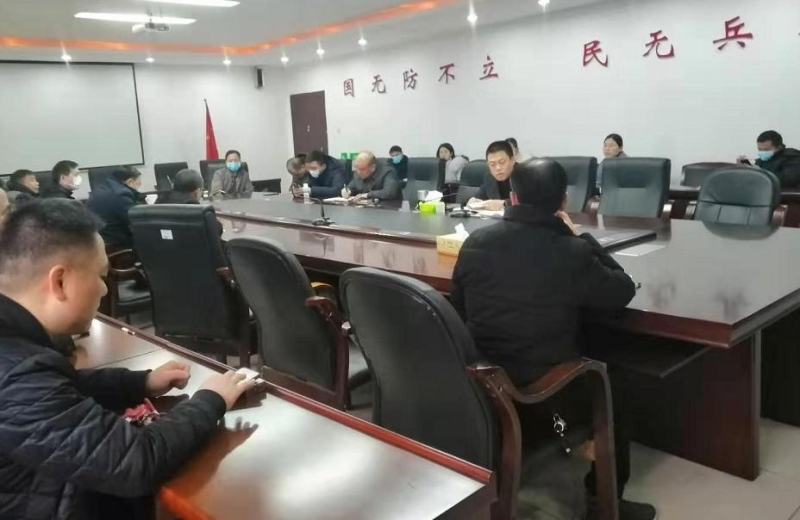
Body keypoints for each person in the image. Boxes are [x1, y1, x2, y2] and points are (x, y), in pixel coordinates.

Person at [0, 199, 256, 519]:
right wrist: (210, 399)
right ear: (59, 281)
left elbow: (59, 388)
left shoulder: (18, 350)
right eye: (100, 276)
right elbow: (136, 462)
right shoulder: (16, 373)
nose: (104, 291)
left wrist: (140, 383)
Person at [450, 159, 655, 520]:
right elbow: (622, 290)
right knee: (615, 382)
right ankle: (603, 503)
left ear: (513, 197)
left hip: (484, 380)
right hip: (541, 392)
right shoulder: (571, 251)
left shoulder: (476, 241)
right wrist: (581, 238)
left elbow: (459, 309)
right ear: (563, 201)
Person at [87, 167, 145, 250]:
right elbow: (135, 219)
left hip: (98, 239)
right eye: (139, 183)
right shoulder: (121, 194)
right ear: (130, 182)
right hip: (114, 244)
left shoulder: (104, 186)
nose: (139, 186)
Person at [468, 140, 516, 211]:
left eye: (502, 162)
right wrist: (473, 200)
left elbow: (529, 201)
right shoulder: (489, 178)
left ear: (512, 160)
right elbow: (478, 197)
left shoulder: (526, 175)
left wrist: (505, 203)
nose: (498, 168)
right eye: (492, 164)